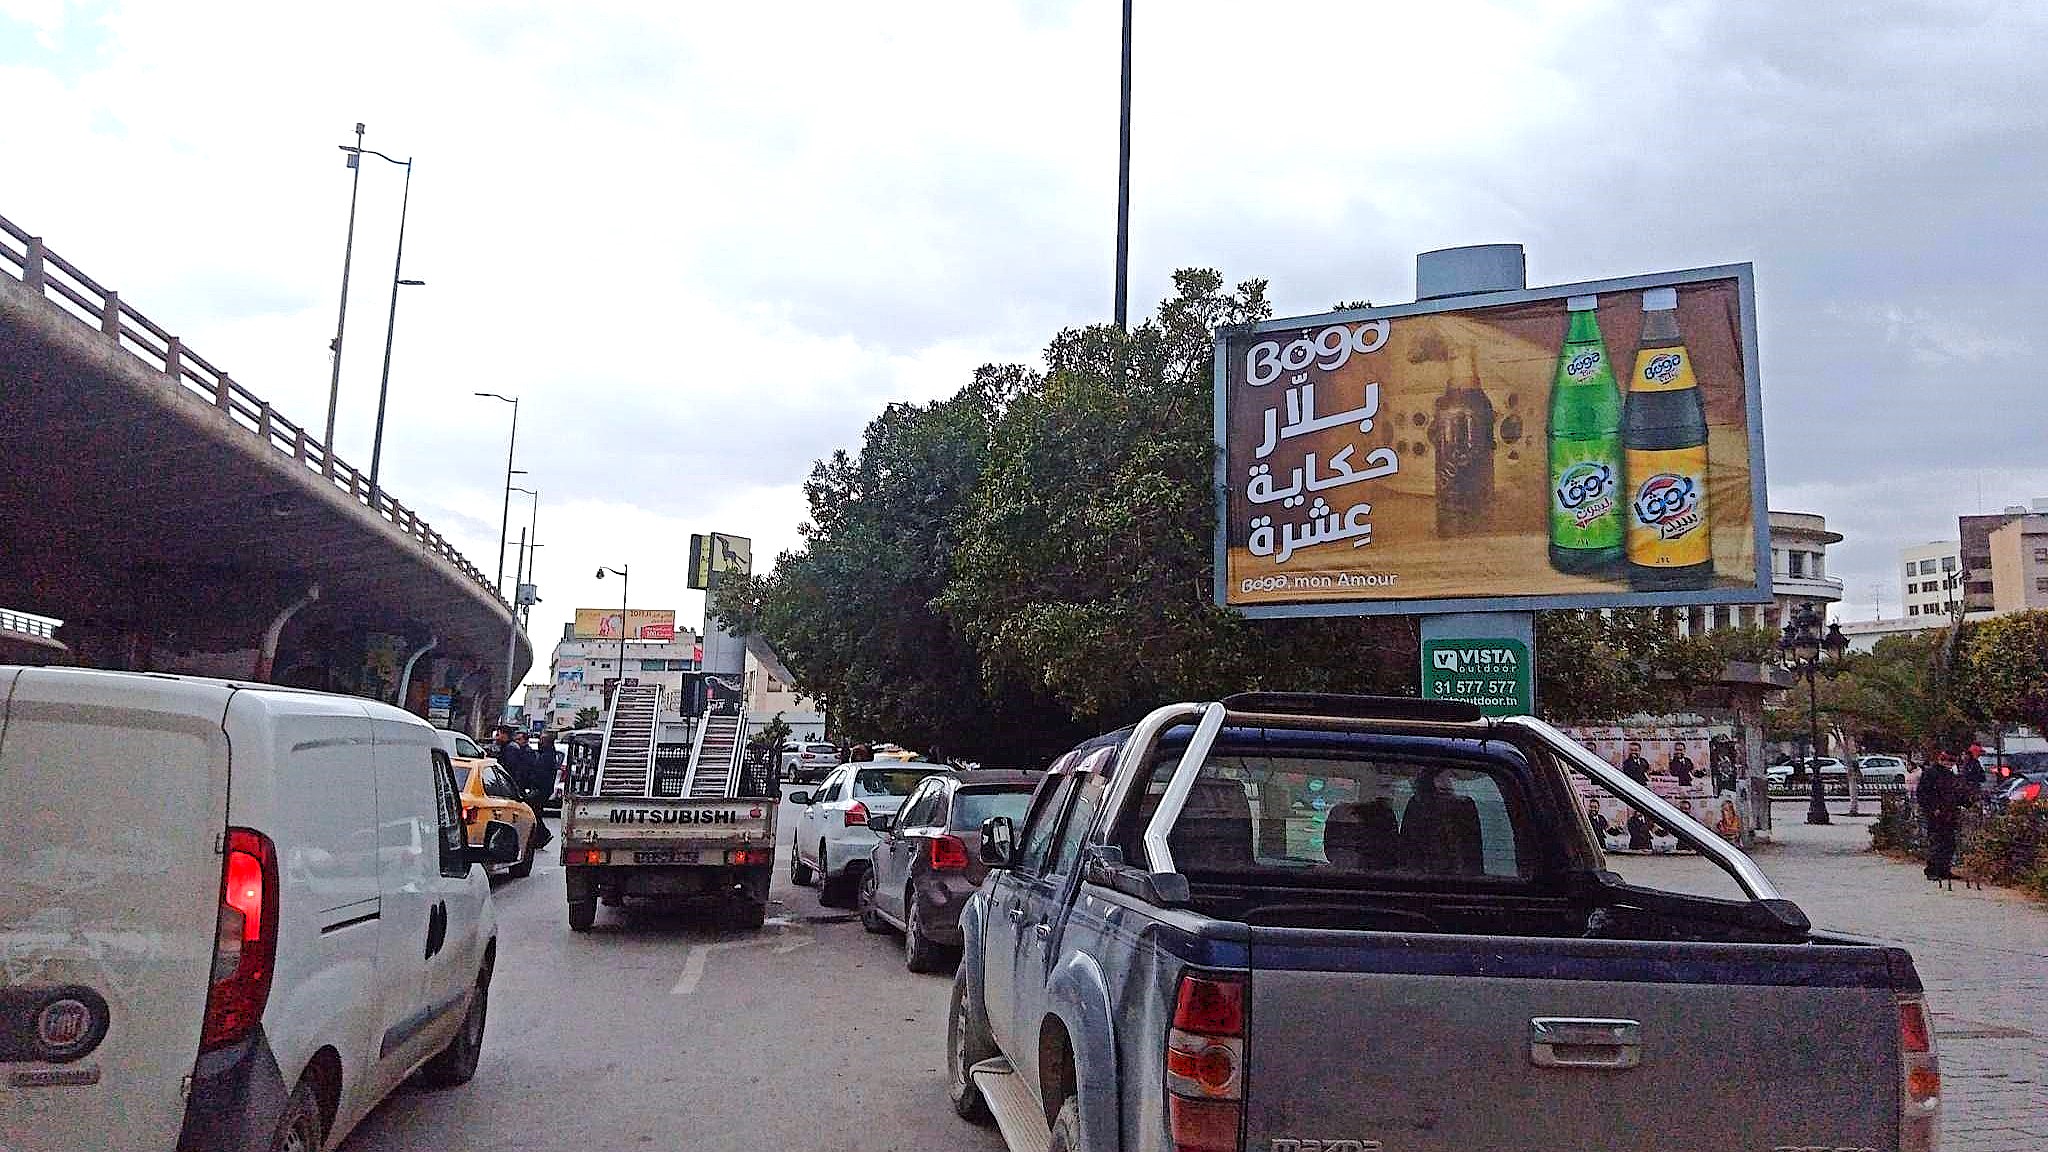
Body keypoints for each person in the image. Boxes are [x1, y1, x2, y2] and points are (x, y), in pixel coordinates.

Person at [1916, 750, 1967, 882]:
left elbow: (1954, 793)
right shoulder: (1930, 773)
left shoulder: (1949, 775)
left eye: (1952, 761)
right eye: (1948, 761)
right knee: (1937, 841)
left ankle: (1944, 869)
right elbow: (1923, 794)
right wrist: (1933, 808)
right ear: (1941, 760)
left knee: (1949, 842)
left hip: (1949, 812)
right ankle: (1932, 870)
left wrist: (1962, 802)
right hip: (1936, 814)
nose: (1950, 764)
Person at [504, 731, 553, 850]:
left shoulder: (541, 755)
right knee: (535, 812)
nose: (540, 743)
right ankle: (539, 836)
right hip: (537, 788)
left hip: (540, 789)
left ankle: (542, 835)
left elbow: (538, 772)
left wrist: (531, 784)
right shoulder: (541, 754)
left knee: (533, 811)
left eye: (542, 740)